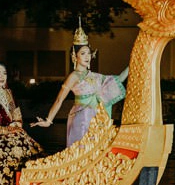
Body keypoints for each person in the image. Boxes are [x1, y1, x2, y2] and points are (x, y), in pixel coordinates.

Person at [31, 19, 128, 147]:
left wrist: (134, 60)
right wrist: (49, 120)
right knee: (81, 151)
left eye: (88, 53)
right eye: (83, 53)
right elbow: (59, 99)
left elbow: (118, 79)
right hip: (81, 118)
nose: (87, 56)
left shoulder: (95, 76)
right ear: (74, 56)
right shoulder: (73, 76)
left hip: (96, 118)